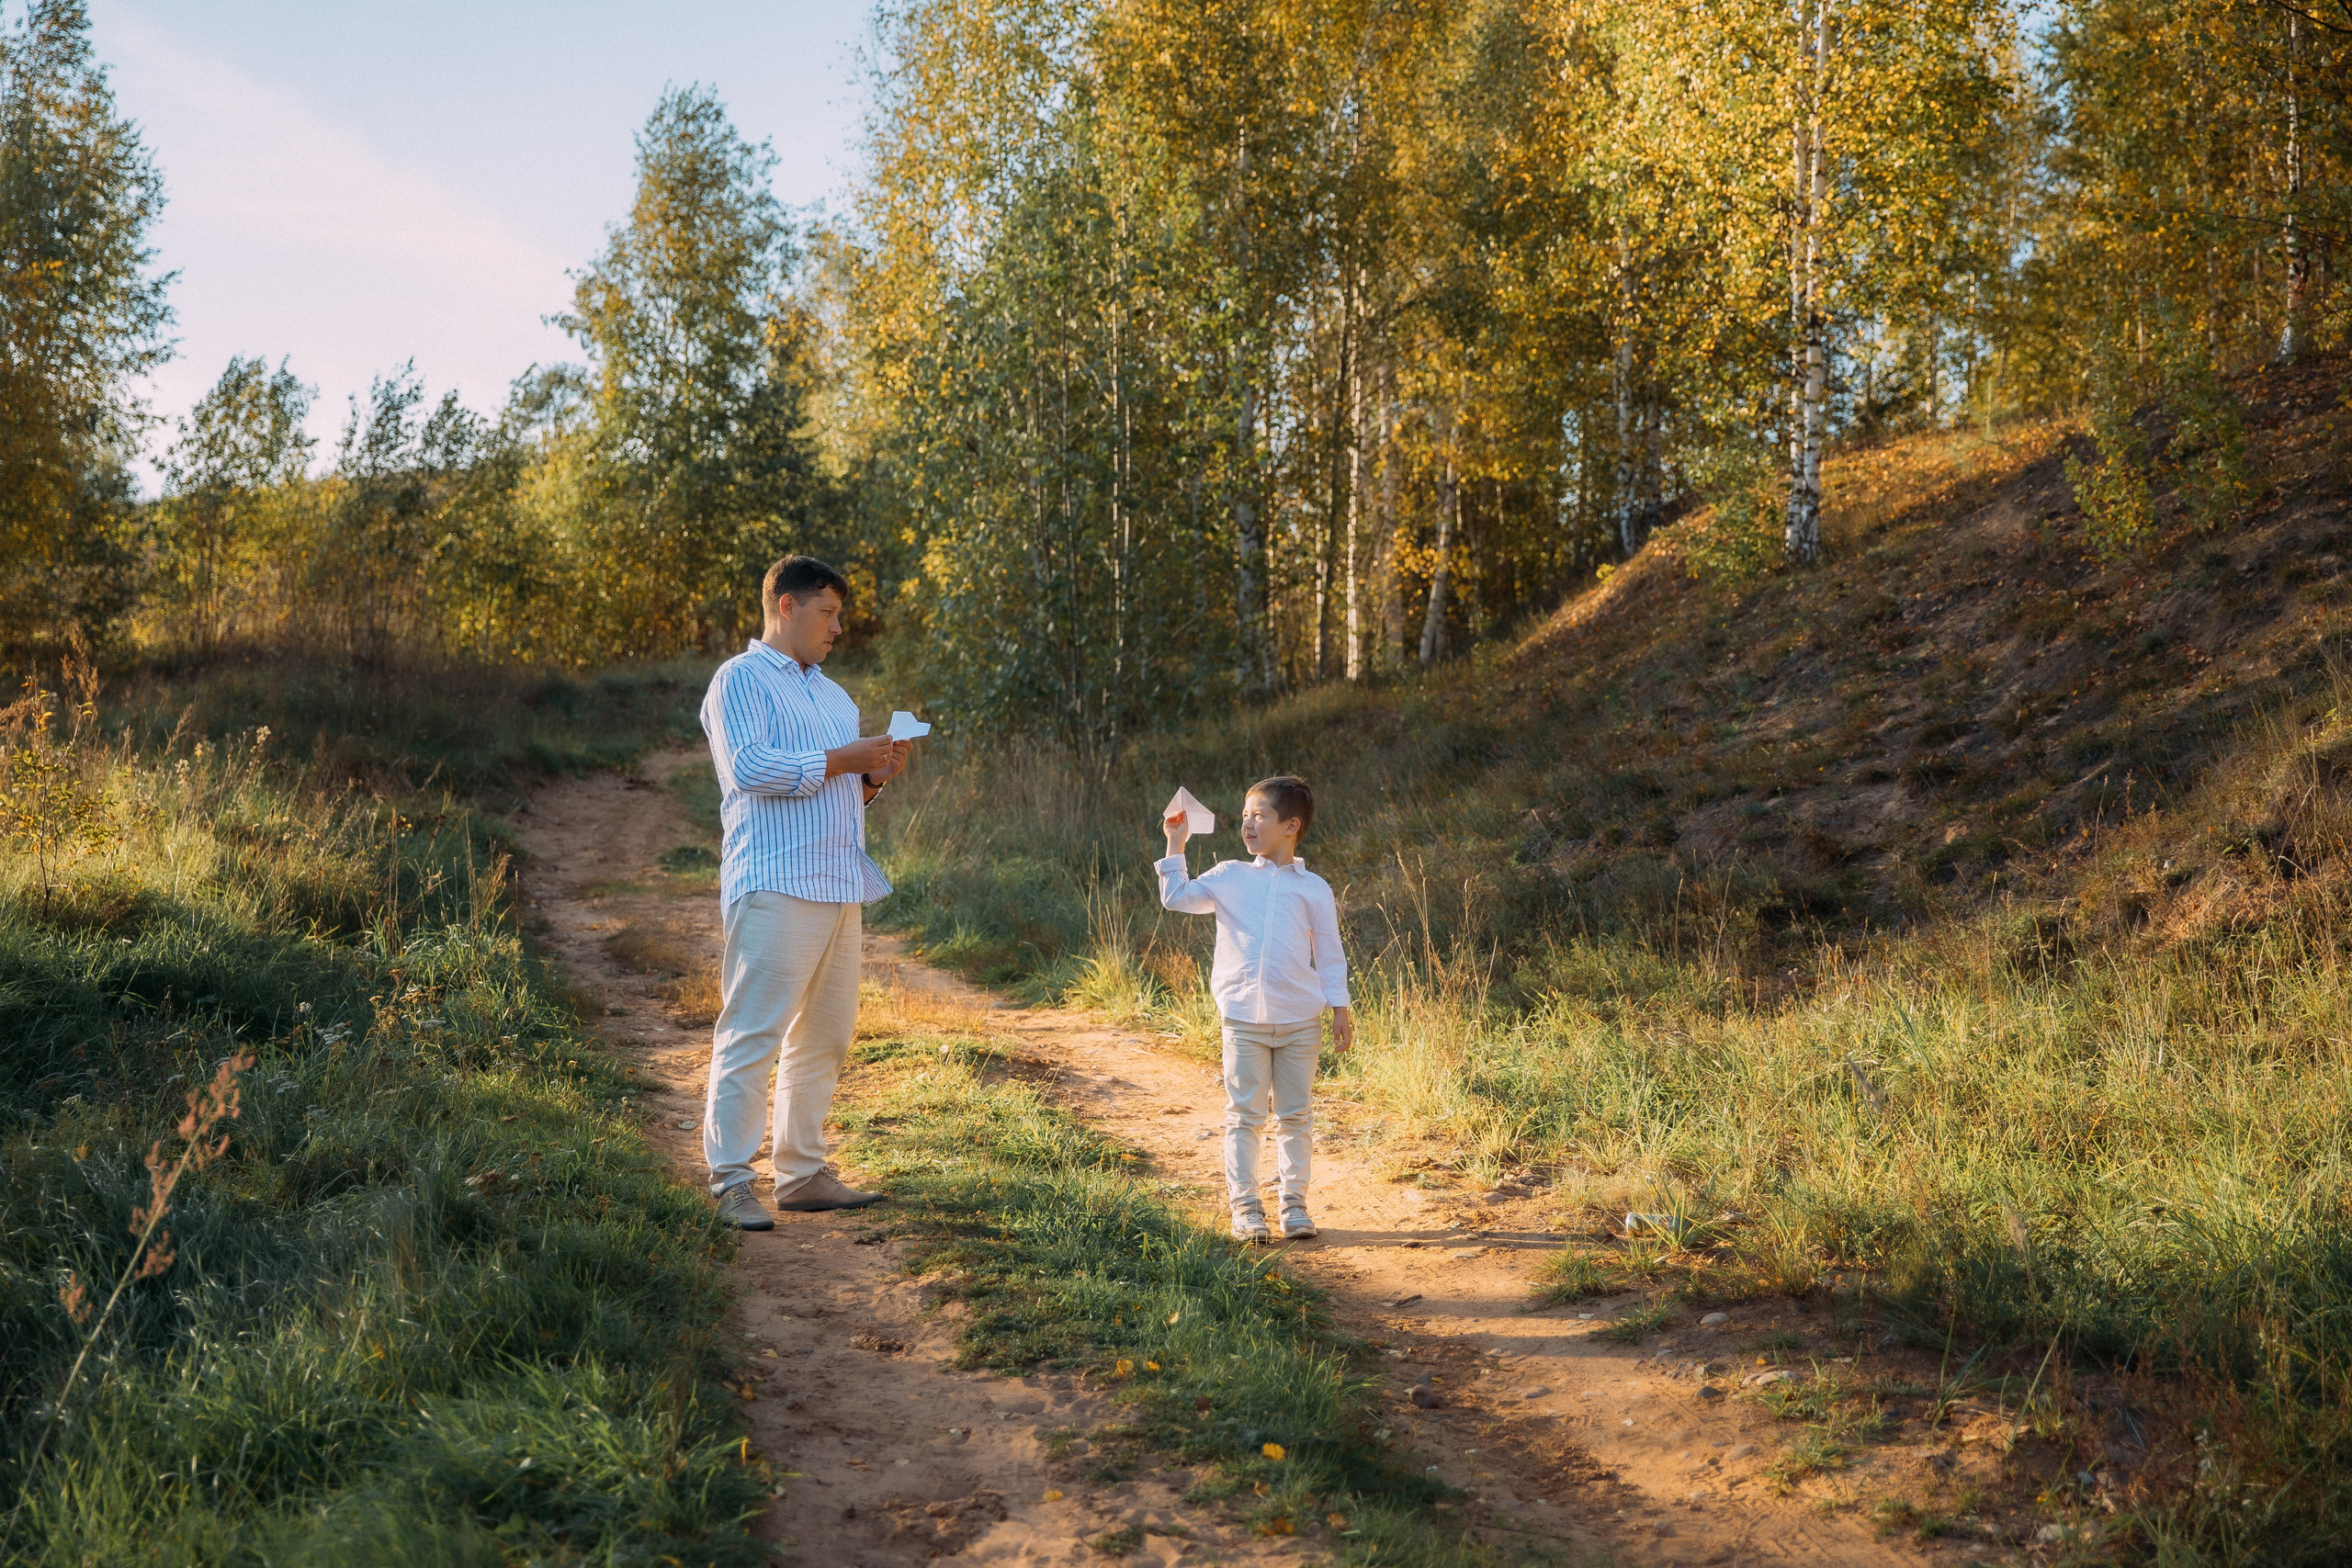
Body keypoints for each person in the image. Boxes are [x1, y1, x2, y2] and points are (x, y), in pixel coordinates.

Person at [697, 555, 911, 1230]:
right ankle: (732, 1181)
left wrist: (872, 778)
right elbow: (750, 768)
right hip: (774, 879)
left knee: (825, 1036)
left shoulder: (836, 697)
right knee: (753, 1031)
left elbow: (840, 795)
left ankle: (801, 1173)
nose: (838, 628)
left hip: (837, 880)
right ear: (786, 607)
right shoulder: (740, 678)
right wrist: (846, 759)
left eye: (839, 615)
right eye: (828, 612)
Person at [1156, 776, 1353, 1243]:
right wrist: (1175, 842)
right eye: (1245, 815)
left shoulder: (1314, 889)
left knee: (1295, 1116)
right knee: (1244, 1116)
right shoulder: (1230, 876)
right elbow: (1176, 897)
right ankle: (1245, 1209)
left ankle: (1294, 1206)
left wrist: (1340, 1008)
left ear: (1291, 825)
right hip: (1243, 1021)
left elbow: (1330, 953)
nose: (1247, 823)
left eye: (1259, 815)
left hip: (1300, 1023)